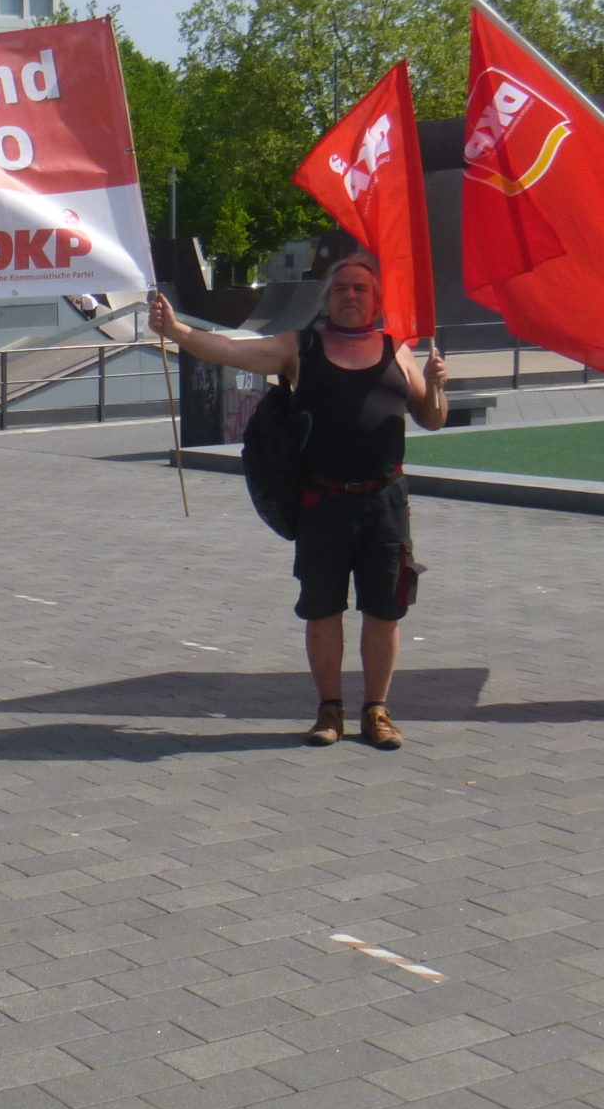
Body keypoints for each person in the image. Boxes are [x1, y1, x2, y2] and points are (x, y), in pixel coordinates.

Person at [152, 254, 449, 749]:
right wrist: (178, 332)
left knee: (384, 611)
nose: (351, 296)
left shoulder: (399, 351)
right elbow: (230, 350)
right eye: (342, 289)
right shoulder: (300, 348)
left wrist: (438, 387)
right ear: (327, 298)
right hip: (323, 502)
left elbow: (432, 418)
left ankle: (376, 711)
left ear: (376, 300)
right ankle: (329, 711)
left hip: (386, 505)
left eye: (361, 289)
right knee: (322, 609)